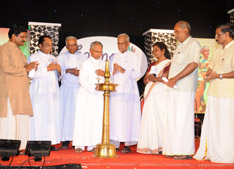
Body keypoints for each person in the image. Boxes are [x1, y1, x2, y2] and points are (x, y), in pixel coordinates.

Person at [194, 23, 234, 163]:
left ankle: (227, 155)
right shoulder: (218, 51)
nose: (216, 37)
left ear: (227, 34)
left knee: (226, 125)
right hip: (213, 92)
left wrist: (219, 76)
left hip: (228, 94)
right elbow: (212, 68)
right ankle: (215, 152)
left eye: (218, 34)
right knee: (214, 124)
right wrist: (210, 73)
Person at [163, 21, 201, 160]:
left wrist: (176, 78)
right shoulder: (180, 46)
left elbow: (193, 64)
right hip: (174, 88)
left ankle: (184, 151)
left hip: (184, 88)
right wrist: (169, 75)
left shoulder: (193, 45)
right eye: (175, 32)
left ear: (186, 30)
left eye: (177, 31)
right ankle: (173, 149)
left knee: (183, 119)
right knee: (173, 119)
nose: (175, 34)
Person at [0, 24, 38, 150]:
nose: (24, 40)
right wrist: (24, 69)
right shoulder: (4, 48)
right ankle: (7, 149)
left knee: (21, 119)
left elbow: (22, 69)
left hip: (21, 91)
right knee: (10, 121)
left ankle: (20, 147)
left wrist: (30, 68)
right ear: (13, 36)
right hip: (9, 92)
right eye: (22, 37)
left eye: (25, 37)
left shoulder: (19, 50)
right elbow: (6, 68)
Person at [109, 33, 142, 153]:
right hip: (116, 91)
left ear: (128, 44)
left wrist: (123, 70)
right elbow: (110, 74)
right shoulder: (113, 57)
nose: (120, 46)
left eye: (122, 43)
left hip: (129, 90)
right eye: (118, 43)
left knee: (128, 116)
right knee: (115, 116)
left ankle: (128, 143)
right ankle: (115, 143)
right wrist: (113, 72)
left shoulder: (134, 56)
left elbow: (138, 73)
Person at [137, 42, 171, 154]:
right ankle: (150, 144)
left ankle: (162, 145)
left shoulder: (169, 64)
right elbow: (145, 80)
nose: (154, 53)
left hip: (161, 93)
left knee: (161, 118)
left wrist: (155, 79)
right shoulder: (153, 64)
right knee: (150, 117)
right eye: (153, 51)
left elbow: (167, 80)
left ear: (163, 50)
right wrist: (149, 79)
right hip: (150, 92)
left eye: (156, 50)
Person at [28, 35, 61, 151]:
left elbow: (57, 76)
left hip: (52, 92)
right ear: (40, 45)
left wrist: (59, 70)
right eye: (47, 44)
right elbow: (31, 75)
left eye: (51, 45)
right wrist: (48, 69)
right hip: (39, 91)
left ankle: (49, 142)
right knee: (39, 116)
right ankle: (37, 142)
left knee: (51, 117)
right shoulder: (34, 57)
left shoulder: (53, 58)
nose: (50, 47)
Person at [72, 41, 105, 153]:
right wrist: (93, 87)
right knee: (83, 119)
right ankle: (79, 144)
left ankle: (93, 144)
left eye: (100, 52)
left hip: (99, 97)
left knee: (96, 120)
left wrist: (104, 75)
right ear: (90, 51)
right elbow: (82, 80)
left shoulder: (104, 64)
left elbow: (109, 79)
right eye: (96, 51)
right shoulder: (85, 63)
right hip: (86, 95)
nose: (98, 54)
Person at [57, 36, 87, 149]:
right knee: (65, 114)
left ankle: (77, 139)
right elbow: (58, 72)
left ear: (77, 45)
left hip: (78, 89)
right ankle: (65, 139)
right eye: (69, 45)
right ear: (66, 46)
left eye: (73, 44)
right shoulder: (61, 57)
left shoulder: (83, 56)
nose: (72, 47)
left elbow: (85, 71)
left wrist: (78, 72)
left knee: (77, 115)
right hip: (65, 89)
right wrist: (68, 70)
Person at [195, 46, 210, 113]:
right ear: (202, 52)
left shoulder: (210, 60)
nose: (207, 52)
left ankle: (201, 108)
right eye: (205, 51)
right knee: (199, 94)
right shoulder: (200, 59)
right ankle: (203, 108)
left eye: (208, 50)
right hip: (199, 79)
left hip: (206, 79)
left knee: (201, 94)